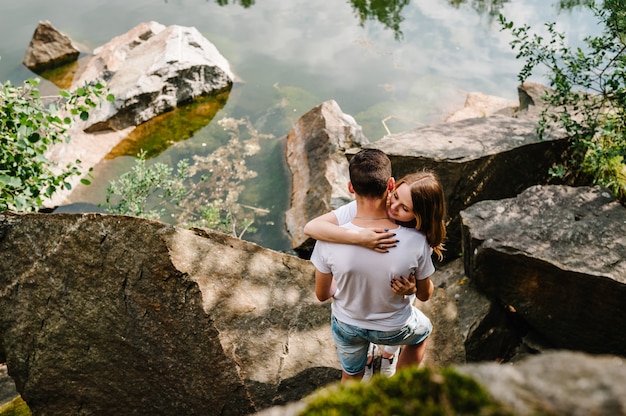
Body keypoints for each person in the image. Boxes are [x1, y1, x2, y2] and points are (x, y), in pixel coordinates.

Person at [309, 149, 440, 384]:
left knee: (351, 373)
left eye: (405, 207)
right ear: (391, 184)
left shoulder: (329, 237)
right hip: (393, 327)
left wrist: (341, 280)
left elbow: (321, 295)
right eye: (397, 198)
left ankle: (365, 366)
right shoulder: (417, 241)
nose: (397, 206)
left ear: (351, 188)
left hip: (348, 324)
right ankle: (396, 385)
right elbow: (425, 294)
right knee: (422, 333)